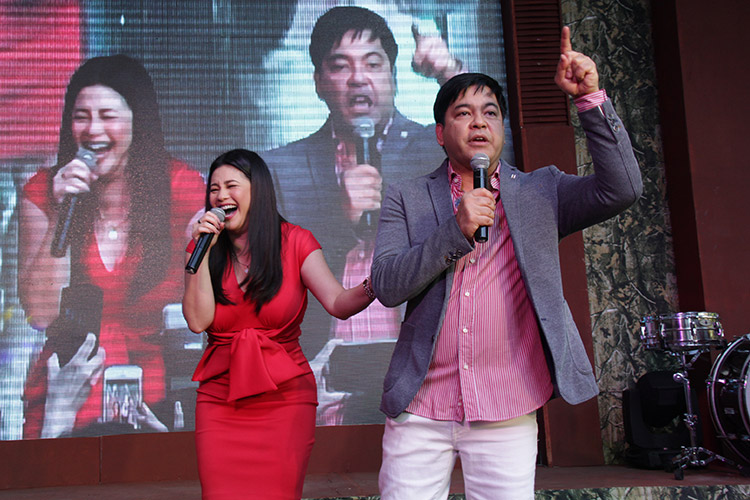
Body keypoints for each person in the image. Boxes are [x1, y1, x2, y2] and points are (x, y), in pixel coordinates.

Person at [371, 27, 643, 499]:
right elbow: (388, 284)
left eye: (490, 112)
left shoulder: (543, 190)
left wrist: (591, 101)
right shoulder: (407, 197)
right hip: (420, 407)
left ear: (504, 129)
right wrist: (453, 231)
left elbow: (622, 189)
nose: (479, 122)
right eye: (463, 113)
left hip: (508, 406)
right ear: (440, 132)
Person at [263, 5, 463, 424]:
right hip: (319, 383)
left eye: (373, 64)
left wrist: (451, 75)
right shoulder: (282, 169)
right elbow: (272, 281)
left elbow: (503, 165)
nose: (359, 78)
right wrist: (338, 220)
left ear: (392, 76)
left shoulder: (437, 150)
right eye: (340, 66)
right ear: (319, 82)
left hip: (426, 373)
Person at [18, 54, 206, 438]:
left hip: (159, 402)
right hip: (66, 398)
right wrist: (58, 215)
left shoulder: (180, 187)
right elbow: (40, 314)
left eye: (108, 115)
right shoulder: (44, 192)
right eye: (81, 115)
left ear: (138, 123)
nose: (92, 129)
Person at [182, 148, 375, 499]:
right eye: (214, 189)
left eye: (231, 186)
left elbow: (337, 303)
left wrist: (378, 282)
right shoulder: (204, 249)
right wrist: (201, 250)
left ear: (258, 190)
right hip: (219, 401)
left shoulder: (296, 241)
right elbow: (197, 321)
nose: (221, 196)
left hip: (284, 400)